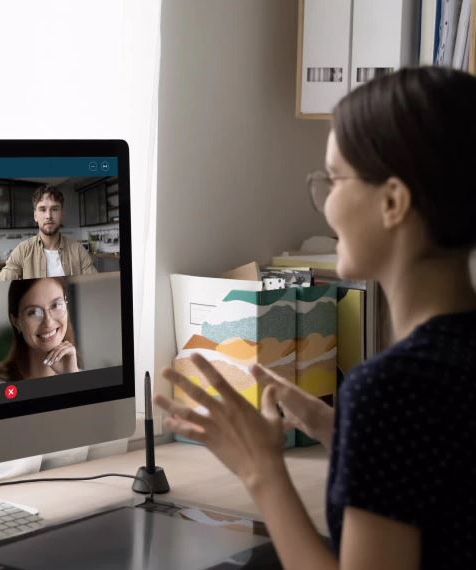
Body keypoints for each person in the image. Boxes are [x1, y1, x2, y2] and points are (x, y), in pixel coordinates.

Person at [153, 67, 476, 569]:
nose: (325, 204)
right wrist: (338, 426)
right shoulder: (440, 373)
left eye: (335, 179)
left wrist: (260, 469)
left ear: (393, 201)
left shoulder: (394, 388)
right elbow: (439, 472)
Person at [0, 277, 80, 386]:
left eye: (56, 305)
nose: (48, 322)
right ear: (16, 322)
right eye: (34, 312)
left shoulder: (77, 374)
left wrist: (72, 379)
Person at [0, 185, 97, 281]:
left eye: (54, 209)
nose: (48, 215)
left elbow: (96, 286)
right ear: (35, 216)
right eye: (42, 209)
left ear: (61, 215)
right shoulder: (22, 251)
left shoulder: (78, 251)